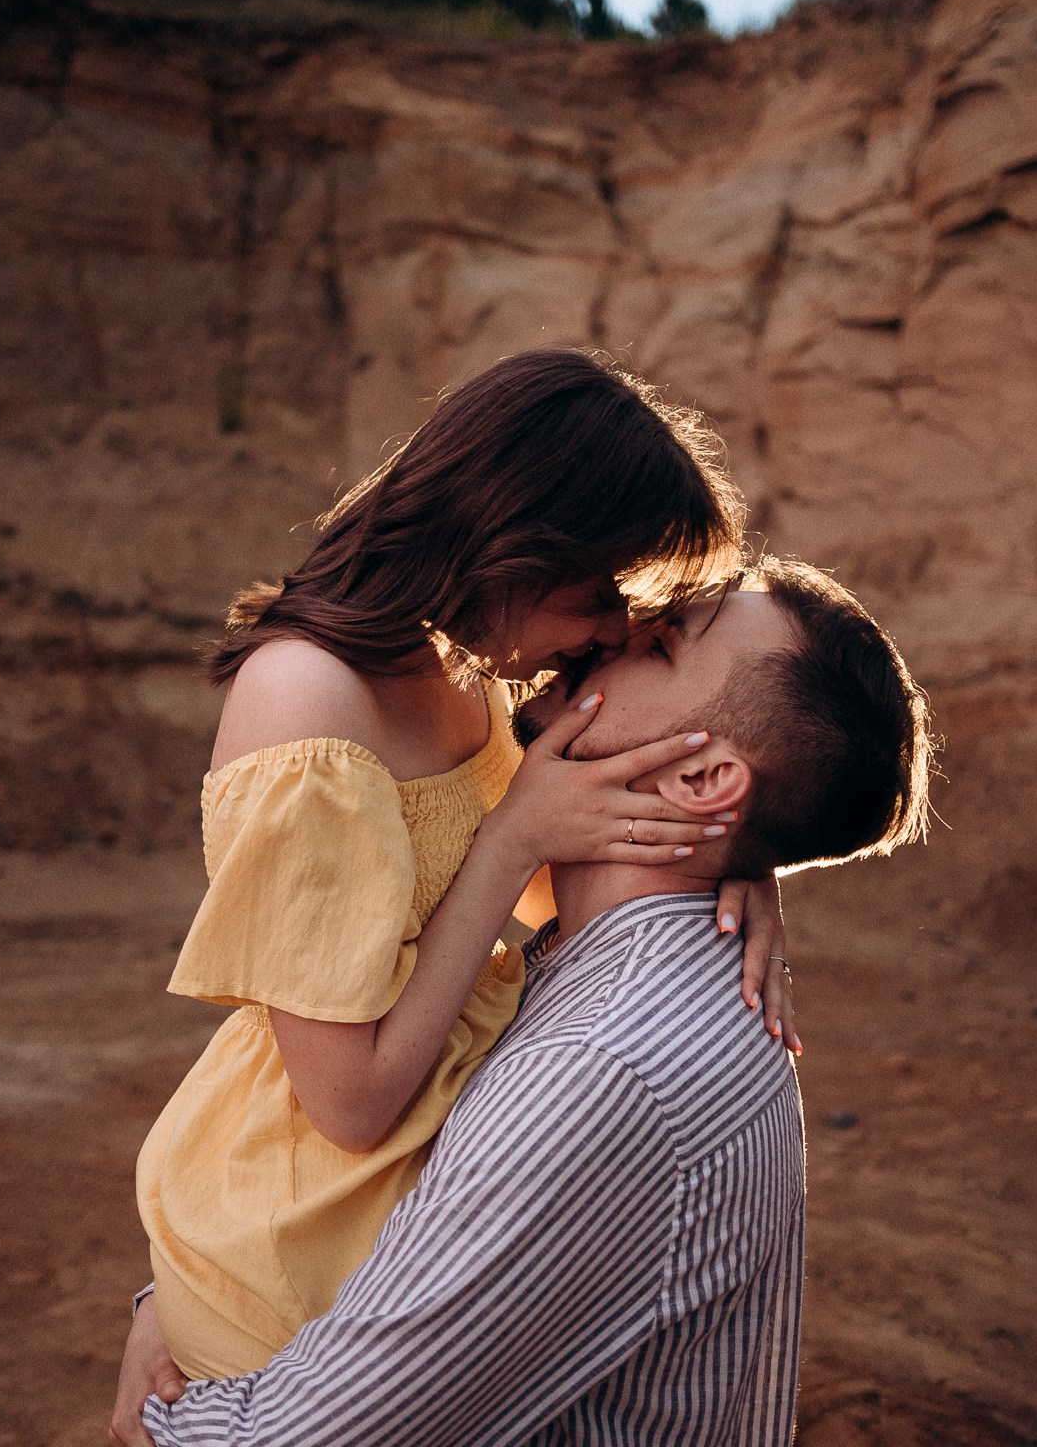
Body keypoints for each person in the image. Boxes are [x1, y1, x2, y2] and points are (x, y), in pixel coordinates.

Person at [113, 556, 934, 1443]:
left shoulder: (601, 1068)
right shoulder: (602, 974)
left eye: (658, 647)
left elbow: (311, 1436)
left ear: (702, 782)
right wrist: (182, 1301)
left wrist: (166, 1408)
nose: (610, 633)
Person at [131, 351, 802, 1392]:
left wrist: (728, 859)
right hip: (314, 1231)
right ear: (509, 544)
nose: (612, 630)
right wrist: (511, 836)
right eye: (598, 592)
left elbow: (547, 897)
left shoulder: (462, 669)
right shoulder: (305, 705)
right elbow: (349, 1102)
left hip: (443, 1170)